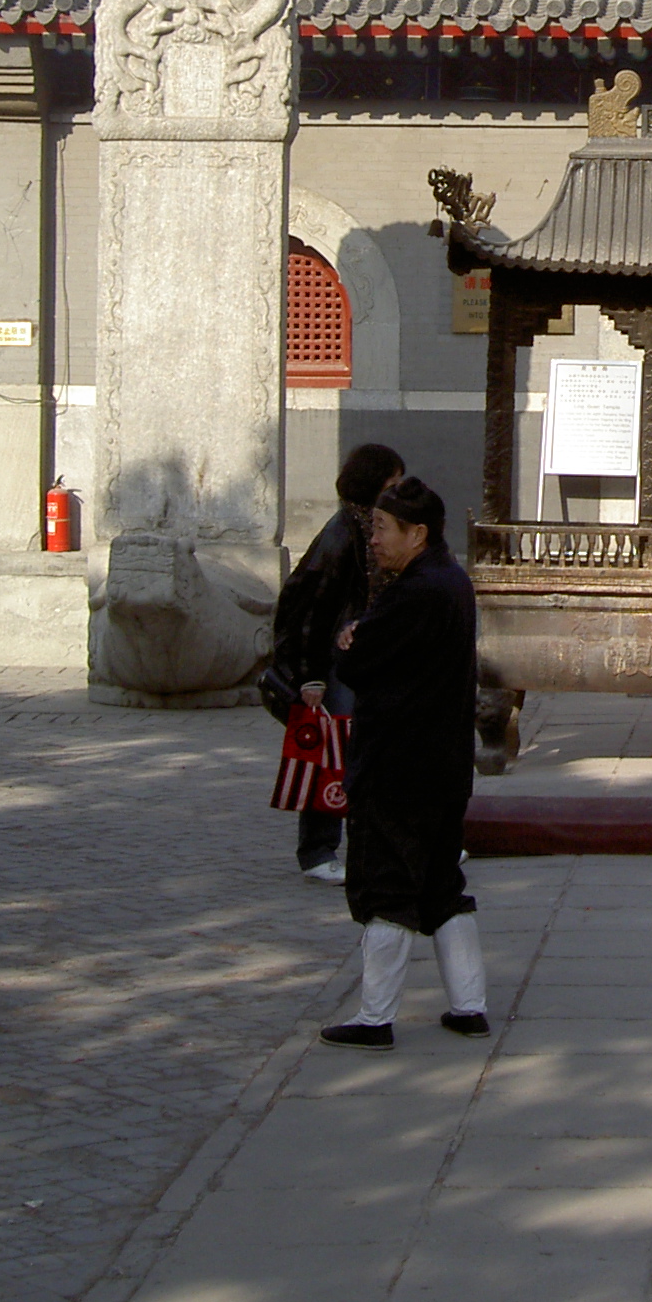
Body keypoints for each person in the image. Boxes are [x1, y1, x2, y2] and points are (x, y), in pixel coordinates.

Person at [319, 478, 488, 1051]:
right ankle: (469, 1007)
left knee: (387, 885)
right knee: (441, 884)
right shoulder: (453, 582)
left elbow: (362, 663)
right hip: (444, 765)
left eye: (384, 529)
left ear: (418, 533)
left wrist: (350, 644)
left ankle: (375, 1017)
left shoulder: (415, 591)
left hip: (399, 765)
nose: (374, 539)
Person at [266, 443, 405, 883]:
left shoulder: (371, 529)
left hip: (364, 658)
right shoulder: (343, 534)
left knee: (374, 752)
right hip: (333, 664)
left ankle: (392, 843)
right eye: (392, 485)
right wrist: (309, 676)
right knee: (332, 753)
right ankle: (318, 850)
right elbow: (309, 607)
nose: (397, 493)